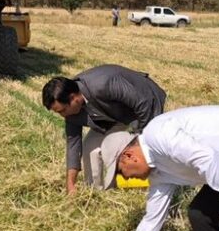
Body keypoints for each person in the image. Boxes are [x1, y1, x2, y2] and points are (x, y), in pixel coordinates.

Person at [41, 64, 166, 194]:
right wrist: (70, 184)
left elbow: (144, 103)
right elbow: (73, 144)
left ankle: (158, 188)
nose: (63, 115)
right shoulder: (71, 112)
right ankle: (95, 192)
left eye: (63, 110)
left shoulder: (103, 84)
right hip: (110, 117)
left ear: (74, 98)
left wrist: (142, 140)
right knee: (90, 147)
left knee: (142, 152)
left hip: (143, 108)